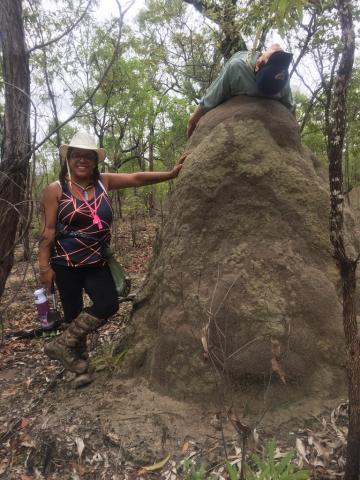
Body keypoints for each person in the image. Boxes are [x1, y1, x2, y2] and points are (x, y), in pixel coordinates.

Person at [39, 131, 186, 385]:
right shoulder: (56, 189)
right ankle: (81, 369)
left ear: (95, 161)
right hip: (65, 263)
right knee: (74, 314)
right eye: (76, 156)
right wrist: (44, 268)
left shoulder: (103, 182)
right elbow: (48, 230)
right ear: (68, 159)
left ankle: (62, 345)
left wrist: (171, 173)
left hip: (96, 260)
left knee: (108, 304)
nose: (82, 161)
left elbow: (136, 177)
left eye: (88, 157)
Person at [187, 43, 295, 138]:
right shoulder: (237, 68)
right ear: (258, 66)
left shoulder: (283, 79)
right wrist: (193, 121)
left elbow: (290, 110)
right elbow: (210, 98)